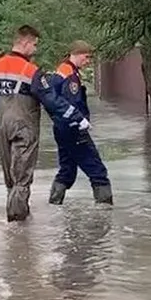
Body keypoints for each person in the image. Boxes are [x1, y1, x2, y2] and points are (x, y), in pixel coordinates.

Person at [0, 25, 91, 222]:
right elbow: (51, 100)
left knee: (10, 180)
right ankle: (18, 230)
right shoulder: (30, 70)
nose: (35, 49)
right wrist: (76, 118)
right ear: (24, 42)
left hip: (1, 128)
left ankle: (17, 216)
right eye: (34, 44)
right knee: (22, 179)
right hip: (24, 128)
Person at [47, 40, 113, 206]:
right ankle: (105, 212)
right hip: (74, 129)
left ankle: (54, 204)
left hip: (61, 129)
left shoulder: (61, 71)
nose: (88, 60)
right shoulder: (70, 75)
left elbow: (52, 102)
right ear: (75, 54)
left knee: (66, 171)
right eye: (86, 56)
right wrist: (79, 120)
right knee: (97, 171)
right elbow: (72, 102)